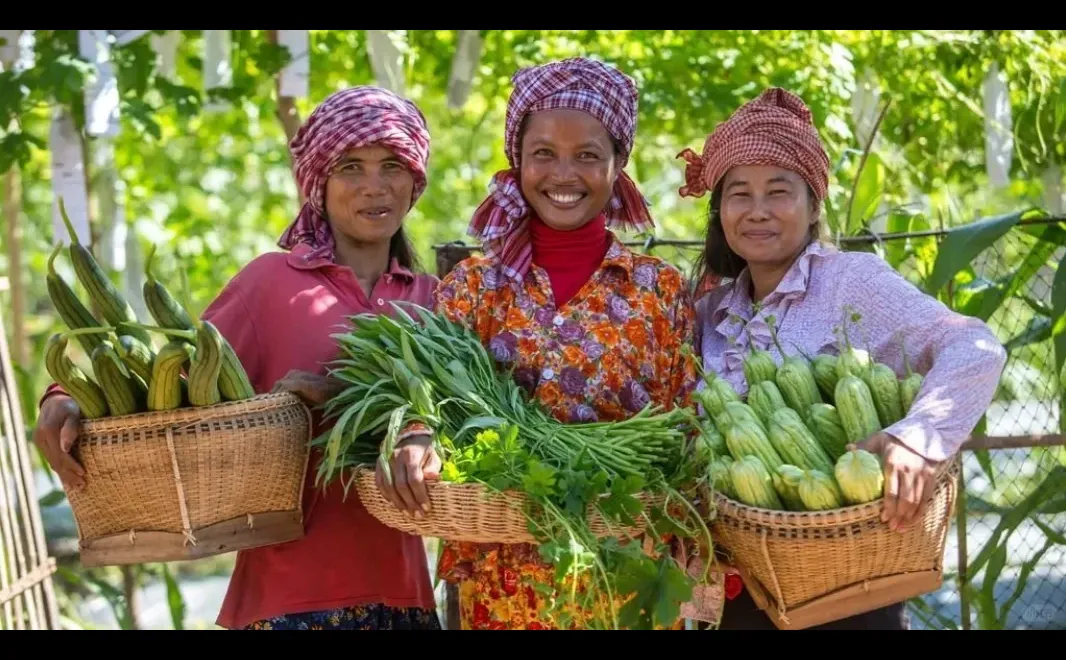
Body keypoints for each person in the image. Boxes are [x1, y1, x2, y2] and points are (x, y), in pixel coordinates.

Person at [32, 86, 443, 631]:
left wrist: (350, 402)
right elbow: (167, 384)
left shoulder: (436, 300)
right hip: (286, 598)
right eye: (350, 166)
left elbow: (466, 428)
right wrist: (64, 397)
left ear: (414, 180)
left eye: (392, 165)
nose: (374, 186)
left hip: (407, 600)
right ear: (319, 184)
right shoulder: (268, 285)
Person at [373, 57, 708, 630]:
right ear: (518, 160)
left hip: (625, 575)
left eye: (587, 155)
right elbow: (429, 398)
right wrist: (415, 434)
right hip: (503, 580)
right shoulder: (474, 287)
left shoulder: (660, 291)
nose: (564, 174)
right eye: (544, 154)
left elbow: (688, 429)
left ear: (618, 163)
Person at [676, 87, 1008, 630]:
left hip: (849, 590)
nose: (757, 211)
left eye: (778, 191)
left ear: (813, 207)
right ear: (720, 211)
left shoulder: (851, 282)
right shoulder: (710, 312)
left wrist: (920, 436)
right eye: (739, 194)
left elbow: (975, 346)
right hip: (739, 592)